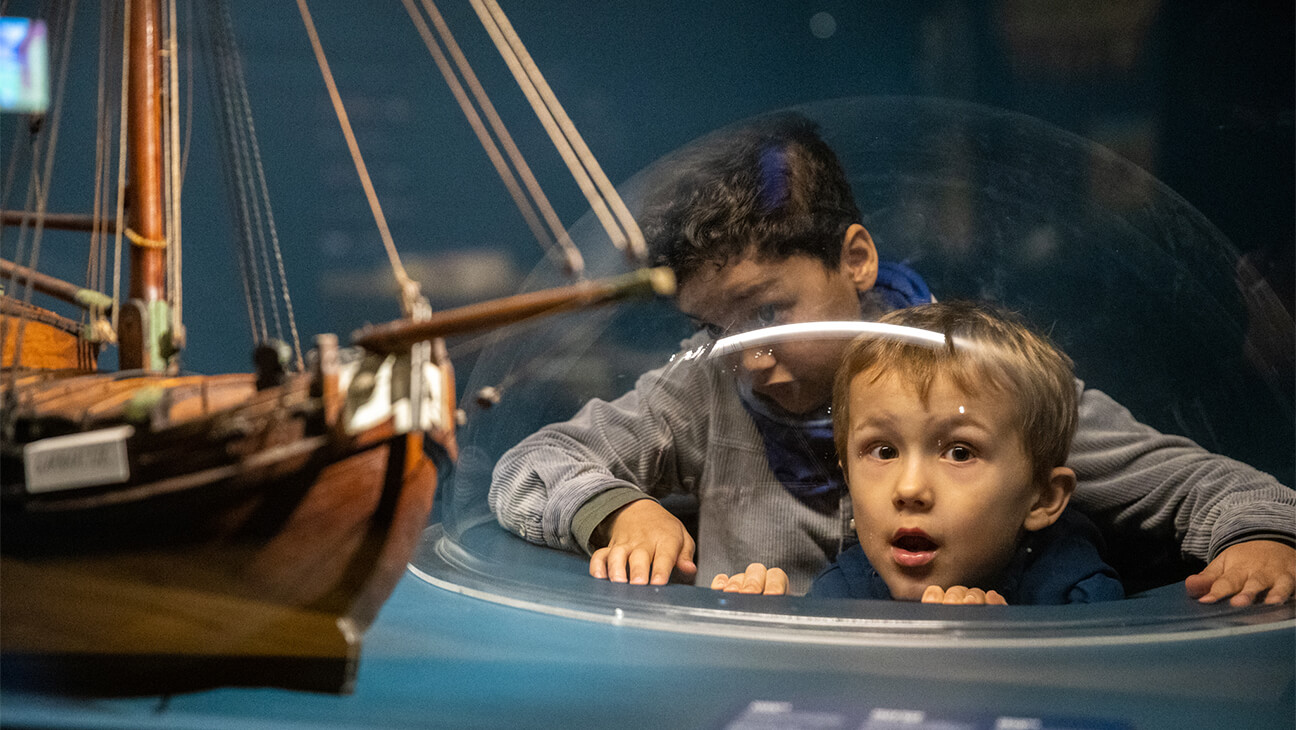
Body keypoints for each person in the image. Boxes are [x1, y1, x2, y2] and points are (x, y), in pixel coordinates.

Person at [489, 112, 1295, 602]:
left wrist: (1255, 537)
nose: (747, 355)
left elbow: (1201, 483)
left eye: (770, 310)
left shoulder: (979, 379)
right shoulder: (702, 384)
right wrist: (619, 511)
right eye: (715, 325)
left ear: (857, 260)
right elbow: (530, 464)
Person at [712, 301, 1126, 604]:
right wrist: (767, 634)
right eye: (884, 451)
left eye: (960, 453)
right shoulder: (843, 593)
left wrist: (999, 653)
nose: (909, 488)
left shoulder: (1078, 596)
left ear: (1044, 497)